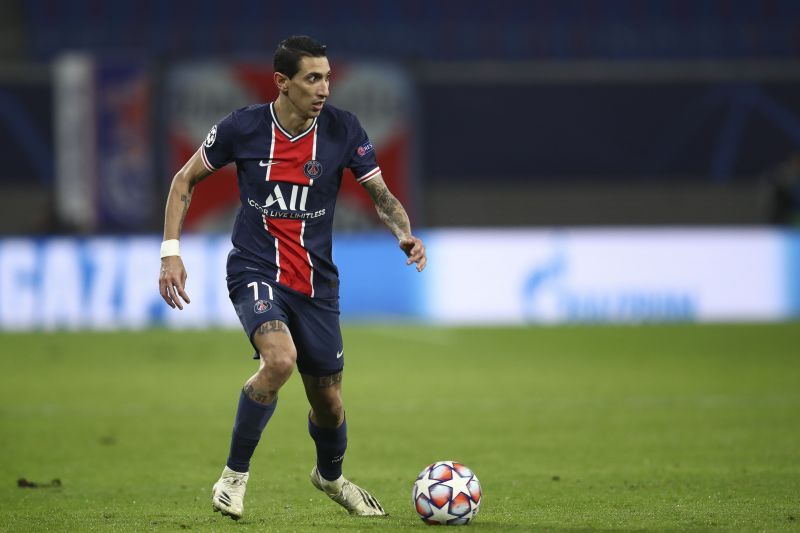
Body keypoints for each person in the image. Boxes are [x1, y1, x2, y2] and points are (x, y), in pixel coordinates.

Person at [158, 36, 426, 521]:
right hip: (254, 269)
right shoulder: (243, 127)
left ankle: (331, 476)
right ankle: (233, 478)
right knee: (280, 360)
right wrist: (170, 253)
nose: (324, 88)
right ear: (282, 82)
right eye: (312, 78)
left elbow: (381, 194)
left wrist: (404, 234)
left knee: (329, 402)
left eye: (327, 77)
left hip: (317, 285)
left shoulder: (345, 130)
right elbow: (184, 180)